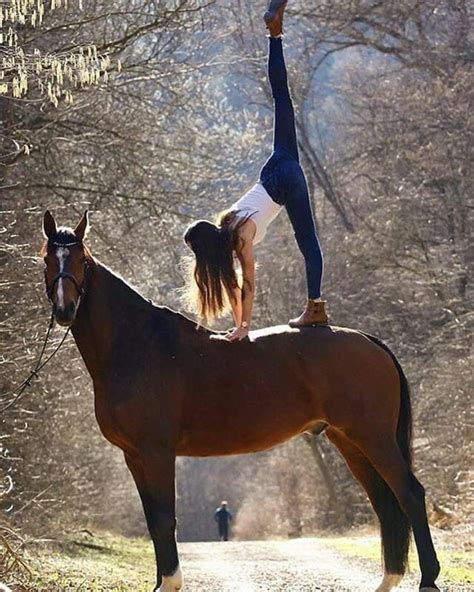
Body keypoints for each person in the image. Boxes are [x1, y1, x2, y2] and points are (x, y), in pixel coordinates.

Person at [184, 0, 328, 341]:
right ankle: (274, 34)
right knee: (282, 98)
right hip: (275, 166)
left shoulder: (240, 236)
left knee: (307, 241)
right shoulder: (228, 222)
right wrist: (239, 325)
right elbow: (234, 286)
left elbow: (247, 282)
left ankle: (316, 307)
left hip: (284, 181)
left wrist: (245, 328)